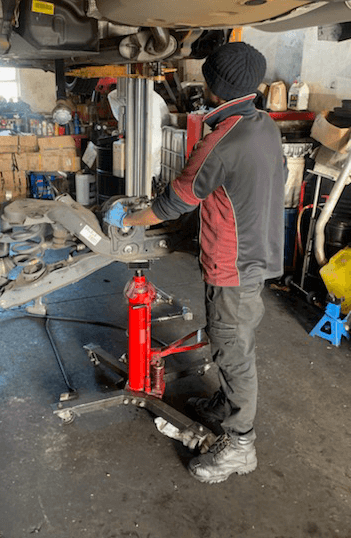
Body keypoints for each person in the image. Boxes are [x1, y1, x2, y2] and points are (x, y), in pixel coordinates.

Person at [104, 42, 285, 484]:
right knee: (234, 340)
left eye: (206, 80)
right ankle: (226, 403)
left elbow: (172, 204)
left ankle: (241, 446)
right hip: (258, 254)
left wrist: (127, 217)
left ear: (216, 87)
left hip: (233, 265)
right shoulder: (264, 126)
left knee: (233, 349)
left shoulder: (219, 140)